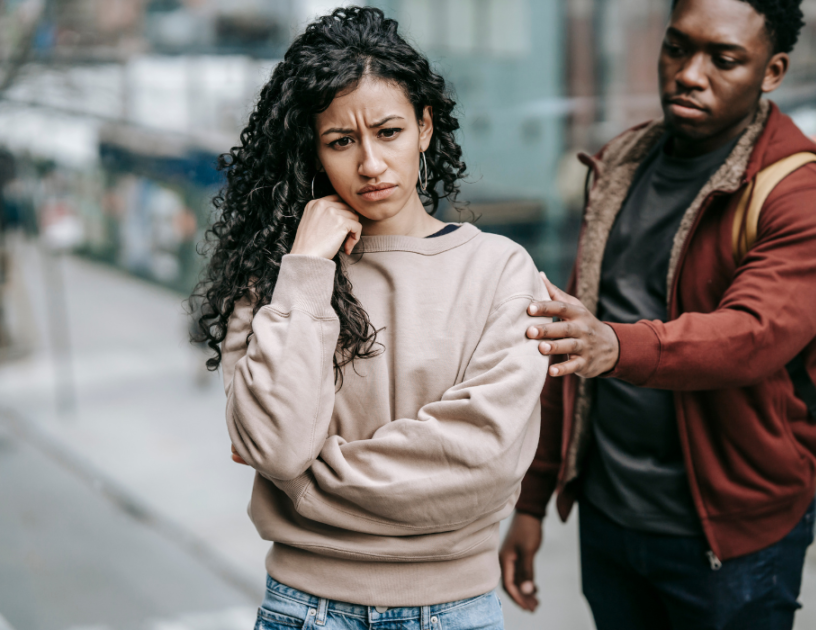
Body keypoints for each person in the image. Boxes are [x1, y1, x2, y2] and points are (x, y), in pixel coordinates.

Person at [191, 7, 550, 630]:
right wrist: (304, 267)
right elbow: (277, 445)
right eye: (340, 141)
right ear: (314, 150)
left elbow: (482, 464)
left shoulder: (501, 271)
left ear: (425, 128)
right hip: (304, 611)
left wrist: (304, 487)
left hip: (456, 611)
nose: (371, 165)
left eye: (388, 132)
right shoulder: (279, 282)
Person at [500, 0, 816, 628]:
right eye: (677, 48)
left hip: (731, 535)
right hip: (610, 518)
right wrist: (532, 500)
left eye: (723, 59)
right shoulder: (620, 166)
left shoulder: (804, 198)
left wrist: (616, 346)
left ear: (772, 71)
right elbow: (569, 341)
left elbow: (754, 334)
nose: (690, 74)